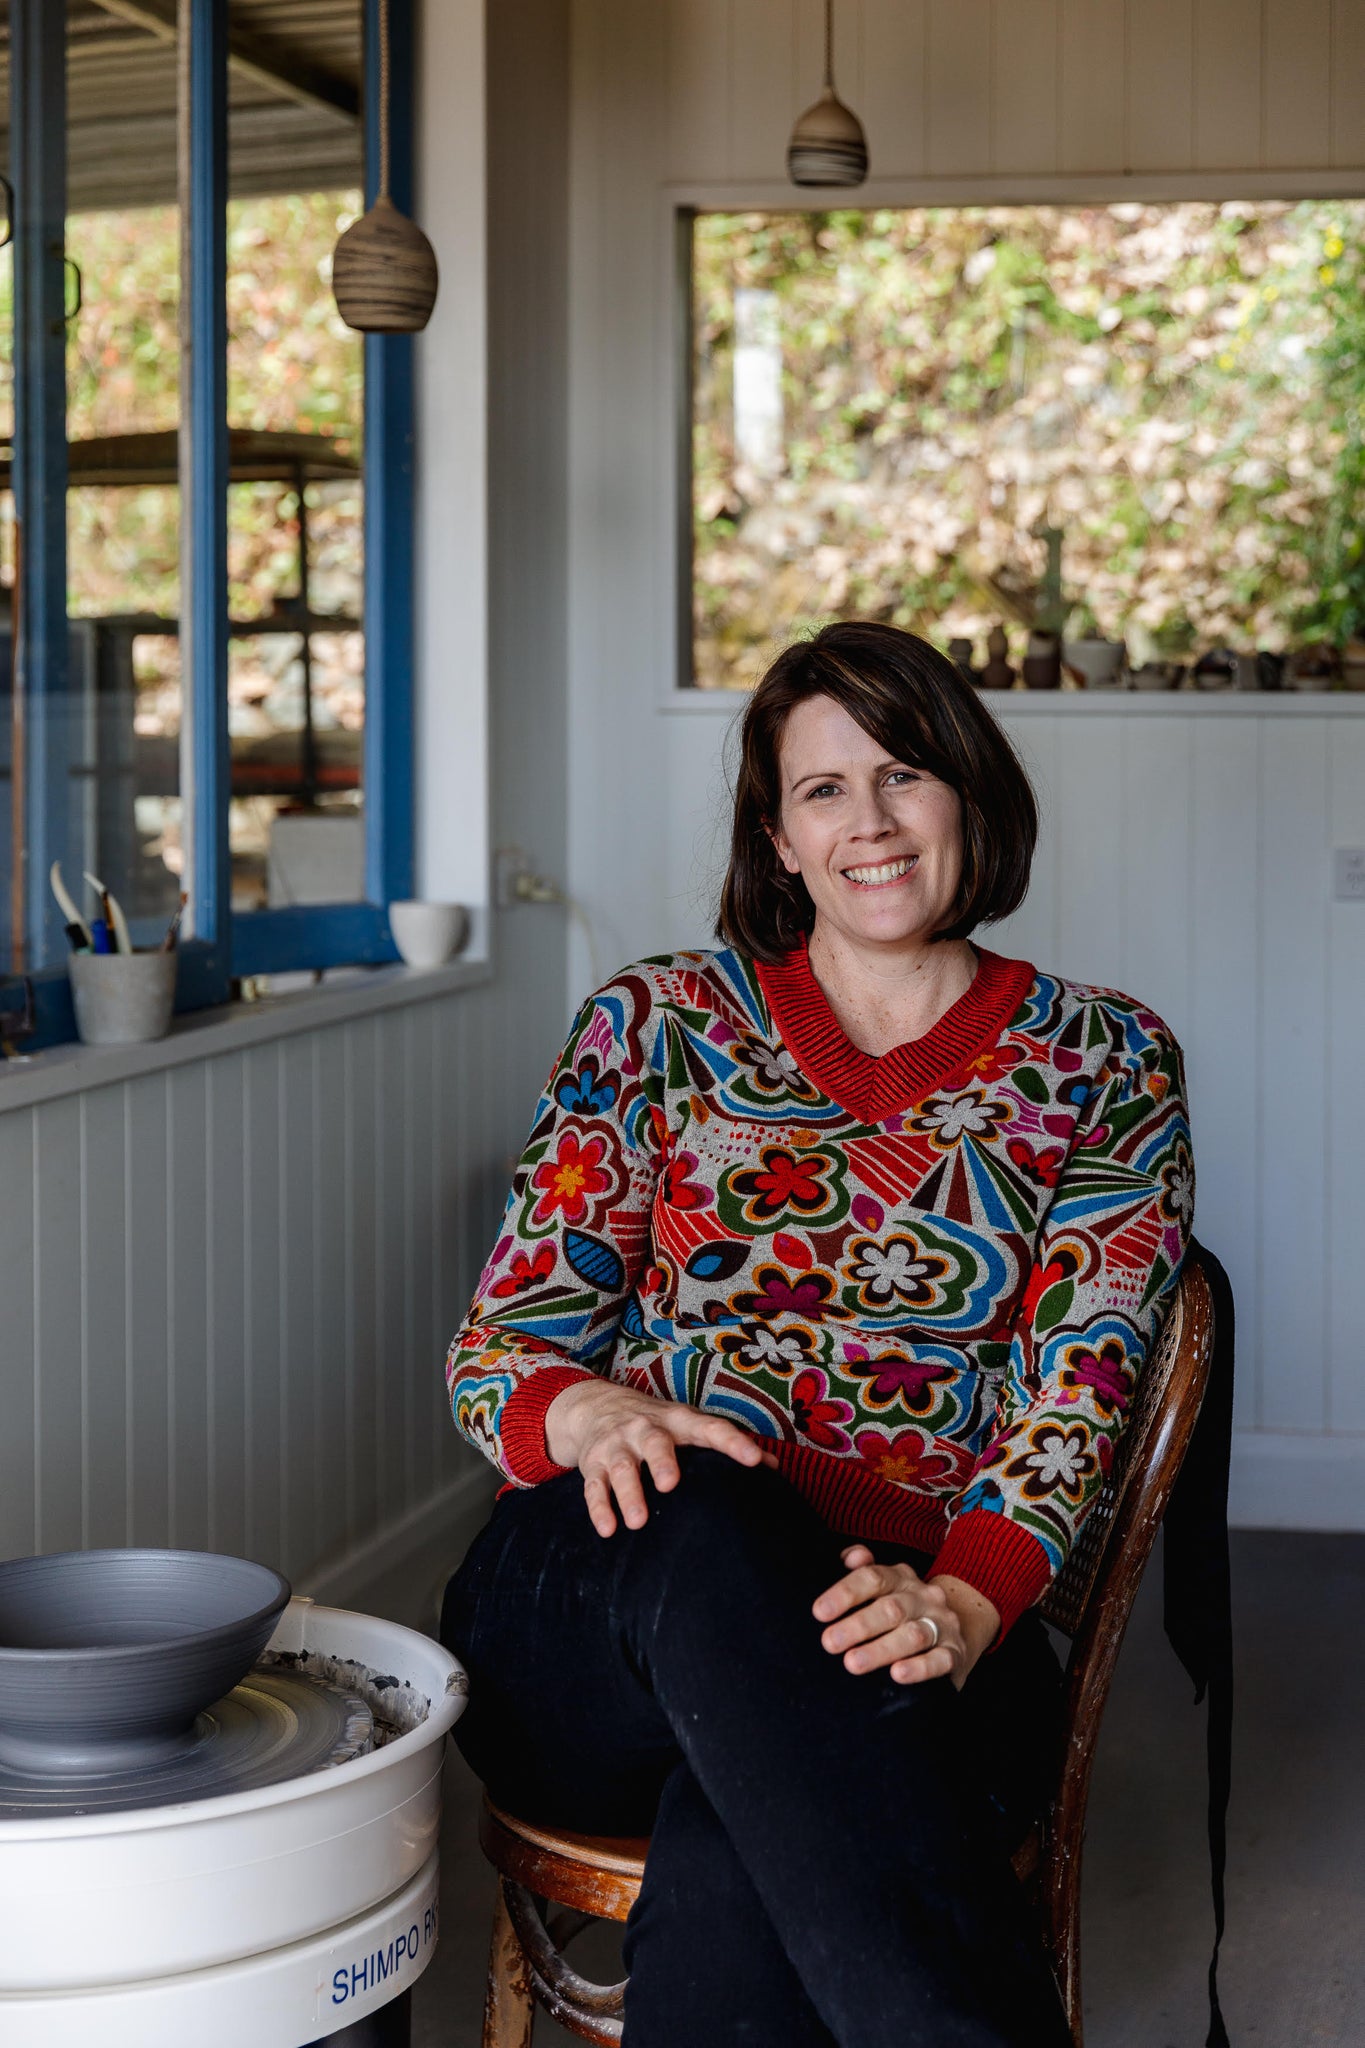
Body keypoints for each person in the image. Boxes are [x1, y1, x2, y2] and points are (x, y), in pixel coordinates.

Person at [440, 620, 1194, 2047]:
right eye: (822, 789)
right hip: (606, 1595)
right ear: (775, 838)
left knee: (750, 1845)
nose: (871, 823)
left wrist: (969, 1601)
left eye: (904, 773)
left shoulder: (1104, 1060)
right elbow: (503, 1344)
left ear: (970, 795)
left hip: (916, 1612)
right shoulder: (653, 1023)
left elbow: (1075, 1386)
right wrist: (585, 1413)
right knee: (716, 1503)